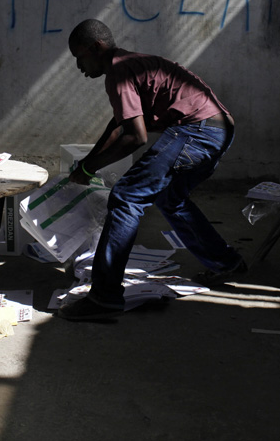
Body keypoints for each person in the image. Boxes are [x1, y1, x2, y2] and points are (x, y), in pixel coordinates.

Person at [58, 19, 247, 321]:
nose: (79, 66)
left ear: (96, 48)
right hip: (219, 128)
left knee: (126, 196)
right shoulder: (130, 65)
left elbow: (136, 136)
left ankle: (104, 297)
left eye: (79, 57)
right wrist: (86, 165)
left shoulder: (118, 72)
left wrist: (90, 167)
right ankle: (226, 262)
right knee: (170, 198)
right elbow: (119, 127)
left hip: (196, 130)